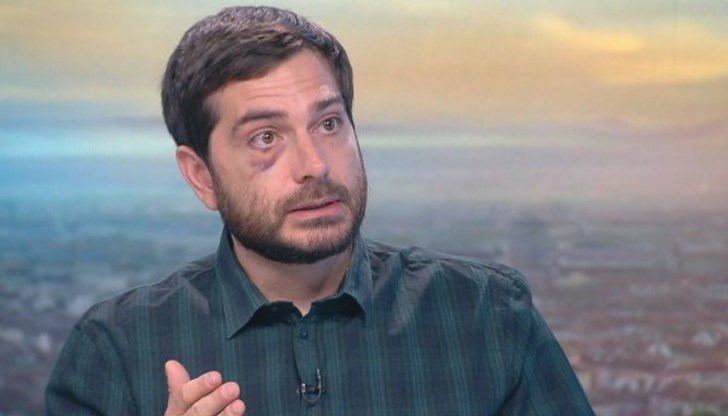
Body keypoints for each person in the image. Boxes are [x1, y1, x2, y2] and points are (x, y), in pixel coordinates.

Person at [46, 5, 595, 415]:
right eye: (265, 137)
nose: (315, 164)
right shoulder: (114, 352)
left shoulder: (487, 315)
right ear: (201, 176)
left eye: (328, 124)